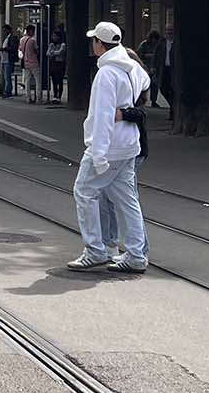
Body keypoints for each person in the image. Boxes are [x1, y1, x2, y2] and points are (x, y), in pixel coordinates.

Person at [64, 22, 150, 273]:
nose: (93, 44)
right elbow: (146, 81)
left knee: (84, 192)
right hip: (129, 144)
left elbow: (102, 117)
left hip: (109, 146)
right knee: (127, 200)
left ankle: (95, 250)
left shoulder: (106, 74)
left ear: (100, 44)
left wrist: (98, 154)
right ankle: (136, 254)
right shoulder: (131, 67)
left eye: (94, 41)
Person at [141, 29, 165, 108]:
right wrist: (146, 56)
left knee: (154, 85)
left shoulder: (158, 45)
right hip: (145, 67)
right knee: (144, 84)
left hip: (154, 68)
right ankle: (142, 99)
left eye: (155, 39)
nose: (154, 40)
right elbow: (139, 53)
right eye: (152, 38)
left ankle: (153, 100)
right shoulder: (144, 44)